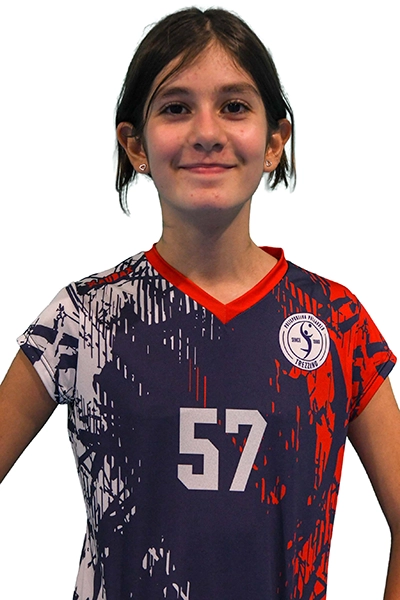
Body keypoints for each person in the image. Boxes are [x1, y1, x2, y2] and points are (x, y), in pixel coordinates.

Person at [0, 6, 399, 599]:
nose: (207, 131)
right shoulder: (83, 318)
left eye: (234, 106)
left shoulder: (335, 320)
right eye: (175, 107)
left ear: (275, 142)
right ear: (134, 144)